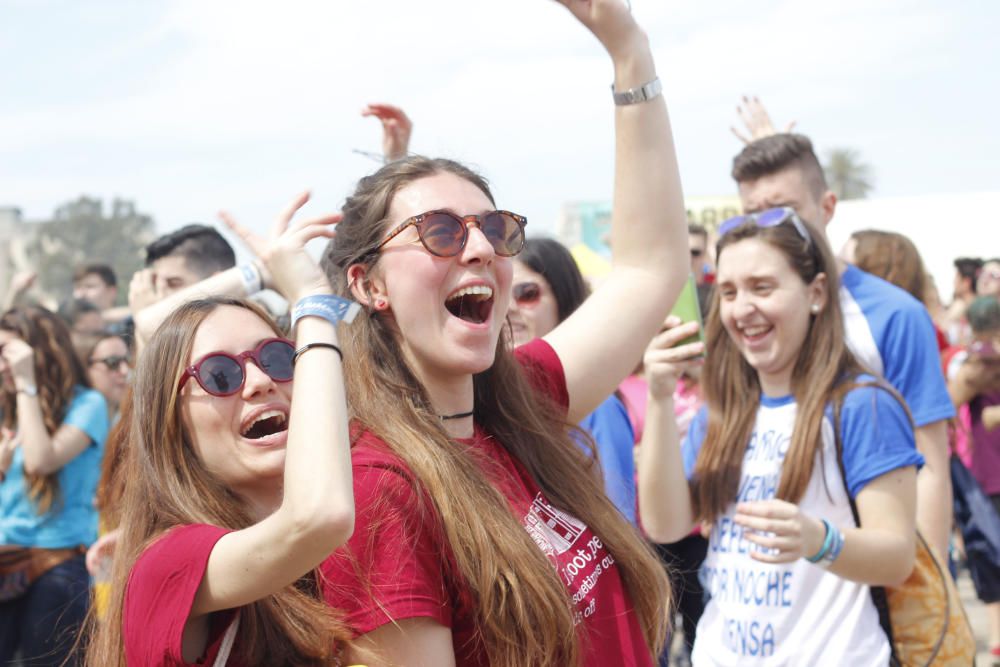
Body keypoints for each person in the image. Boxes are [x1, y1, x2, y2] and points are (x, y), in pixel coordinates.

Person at [317, 2, 689, 664]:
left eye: (494, 228)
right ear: (369, 285)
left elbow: (649, 267)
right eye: (439, 231)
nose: (481, 249)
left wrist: (629, 52)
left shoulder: (520, 405)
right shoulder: (383, 489)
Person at [638, 209, 921, 665]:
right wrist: (659, 397)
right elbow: (665, 525)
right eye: (728, 291)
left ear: (816, 293)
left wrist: (819, 540)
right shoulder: (721, 410)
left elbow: (896, 557)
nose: (742, 308)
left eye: (762, 287)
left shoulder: (862, 403)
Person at [84, 193, 355, 666]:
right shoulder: (167, 560)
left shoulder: (335, 529)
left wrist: (270, 272)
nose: (260, 382)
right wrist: (309, 302)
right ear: (172, 426)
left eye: (277, 356)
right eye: (220, 374)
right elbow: (317, 518)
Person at [730, 124, 955, 558]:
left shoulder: (894, 314)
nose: (766, 227)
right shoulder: (740, 319)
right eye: (752, 213)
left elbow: (929, 463)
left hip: (866, 576)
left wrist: (929, 589)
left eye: (783, 209)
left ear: (827, 206)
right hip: (758, 579)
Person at [0, 306, 110, 666]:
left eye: (8, 353)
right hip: (7, 558)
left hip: (59, 562)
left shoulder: (88, 404)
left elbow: (40, 460)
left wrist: (27, 384)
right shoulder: (8, 406)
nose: (3, 365)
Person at [508, 237, 637, 522]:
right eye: (498, 292)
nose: (509, 307)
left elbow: (618, 518)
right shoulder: (499, 399)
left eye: (526, 293)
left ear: (563, 299)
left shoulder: (599, 404)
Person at [946, 295, 1000, 660]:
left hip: (986, 473)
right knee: (991, 558)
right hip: (987, 476)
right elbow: (952, 405)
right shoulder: (976, 362)